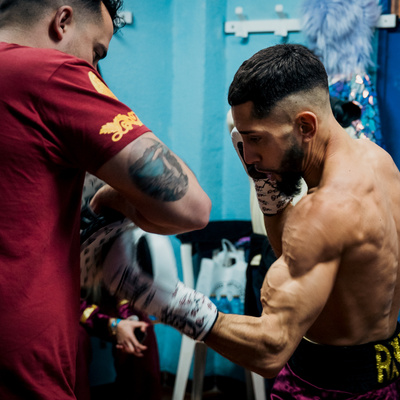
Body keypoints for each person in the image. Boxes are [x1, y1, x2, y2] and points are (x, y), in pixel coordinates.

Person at [102, 43, 400, 399]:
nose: (251, 155)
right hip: (385, 376)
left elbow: (271, 349)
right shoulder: (378, 161)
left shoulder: (323, 211)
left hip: (325, 389)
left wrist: (169, 303)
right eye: (244, 140)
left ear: (305, 125)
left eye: (257, 139)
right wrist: (266, 184)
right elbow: (300, 253)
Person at [0, 1, 211, 399]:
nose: (95, 72)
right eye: (96, 52)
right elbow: (192, 207)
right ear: (63, 20)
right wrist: (117, 201)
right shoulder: (50, 74)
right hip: (22, 362)